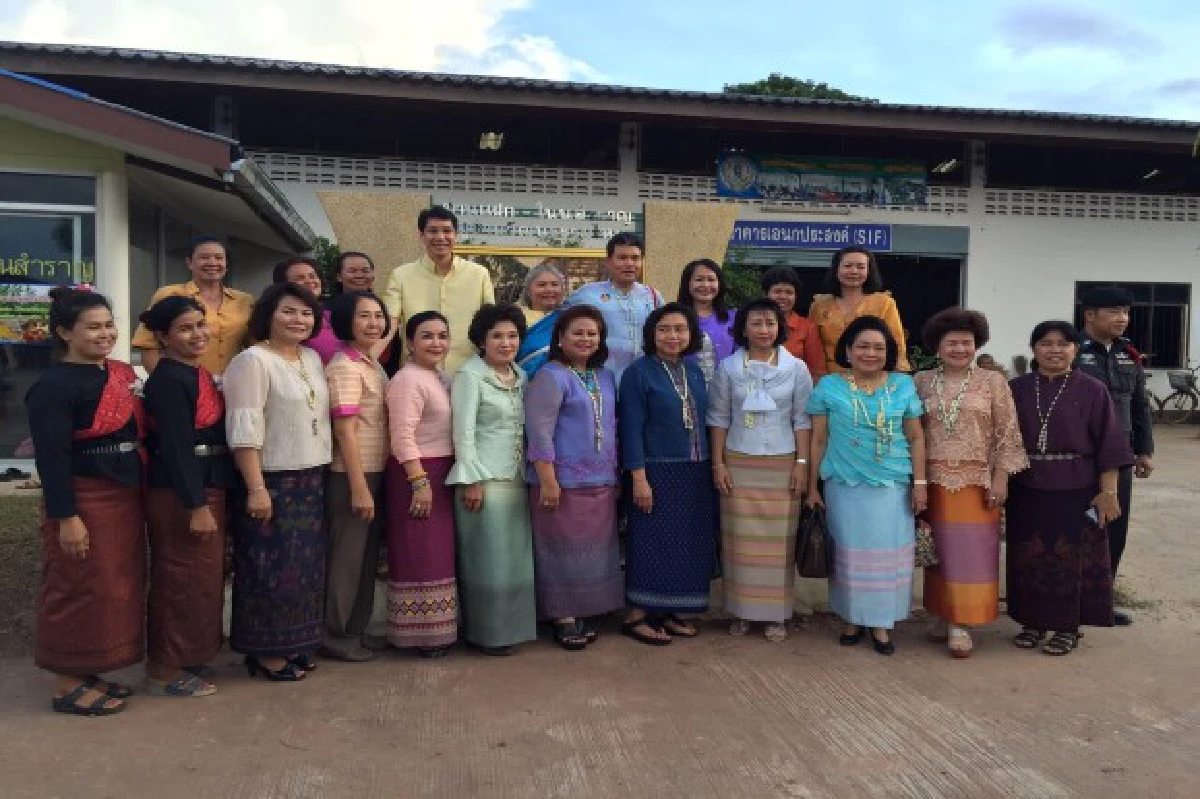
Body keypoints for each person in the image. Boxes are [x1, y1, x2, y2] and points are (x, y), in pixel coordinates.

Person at [28, 286, 145, 716]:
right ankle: (65, 681)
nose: (105, 334)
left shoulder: (116, 375)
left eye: (109, 325)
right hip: (84, 497)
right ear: (63, 332)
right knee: (77, 585)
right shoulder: (52, 386)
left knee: (111, 587)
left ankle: (90, 669)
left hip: (122, 497)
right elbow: (52, 458)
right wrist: (66, 517)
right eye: (92, 327)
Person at [224, 282, 331, 681]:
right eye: (288, 311)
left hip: (311, 479)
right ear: (268, 314)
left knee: (303, 569)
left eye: (305, 313)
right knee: (267, 569)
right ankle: (264, 652)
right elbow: (244, 429)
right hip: (272, 480)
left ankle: (294, 643)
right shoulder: (252, 361)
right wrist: (256, 488)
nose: (297, 320)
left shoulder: (311, 359)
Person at [1007, 321, 1133, 656]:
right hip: (1026, 487)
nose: (1054, 350)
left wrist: (1109, 492)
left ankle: (1067, 626)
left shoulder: (1093, 390)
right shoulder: (1015, 388)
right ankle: (1031, 622)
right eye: (1046, 343)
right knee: (1028, 556)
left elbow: (1110, 445)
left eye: (1063, 344)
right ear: (1033, 349)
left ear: (1075, 350)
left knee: (1070, 560)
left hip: (1078, 487)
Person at [806, 315, 926, 656]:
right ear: (848, 350)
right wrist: (812, 487)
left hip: (892, 486)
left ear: (888, 352)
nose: (870, 353)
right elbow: (817, 440)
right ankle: (851, 619)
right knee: (848, 554)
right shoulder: (829, 385)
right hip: (843, 484)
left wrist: (920, 484)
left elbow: (916, 437)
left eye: (878, 347)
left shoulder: (903, 385)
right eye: (862, 346)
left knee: (886, 557)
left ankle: (882, 623)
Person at [913, 309, 1028, 657]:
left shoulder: (993, 382)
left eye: (967, 343)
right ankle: (941, 613)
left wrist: (1001, 478)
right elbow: (912, 432)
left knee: (971, 553)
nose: (960, 349)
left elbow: (1008, 432)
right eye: (952, 343)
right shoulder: (920, 380)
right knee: (937, 551)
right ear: (937, 346)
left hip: (977, 480)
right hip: (930, 479)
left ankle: (962, 622)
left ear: (977, 345)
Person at [141, 296, 235, 696]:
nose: (198, 334)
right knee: (180, 576)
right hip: (181, 492)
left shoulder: (195, 373)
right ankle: (166, 665)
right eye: (186, 328)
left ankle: (191, 655)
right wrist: (195, 505)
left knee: (203, 578)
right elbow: (177, 446)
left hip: (207, 480)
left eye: (201, 325)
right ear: (163, 337)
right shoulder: (167, 380)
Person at [707, 298, 813, 643]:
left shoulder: (796, 368)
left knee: (778, 545)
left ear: (779, 327)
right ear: (744, 328)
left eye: (770, 323)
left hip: (783, 462)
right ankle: (739, 611)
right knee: (739, 544)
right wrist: (718, 463)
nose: (763, 330)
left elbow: (802, 419)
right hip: (739, 461)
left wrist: (802, 464)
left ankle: (776, 615)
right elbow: (719, 418)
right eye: (756, 323)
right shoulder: (729, 369)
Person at [525, 305, 624, 650]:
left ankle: (583, 610)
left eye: (592, 333)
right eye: (577, 333)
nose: (585, 339)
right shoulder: (550, 376)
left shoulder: (606, 376)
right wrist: (548, 479)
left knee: (592, 553)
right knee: (560, 553)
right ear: (561, 339)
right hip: (560, 483)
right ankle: (562, 617)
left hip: (599, 482)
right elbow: (538, 432)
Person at [618, 303, 717, 645]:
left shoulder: (694, 372)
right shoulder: (638, 372)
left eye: (680, 329)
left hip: (695, 471)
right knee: (651, 542)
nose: (672, 336)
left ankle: (668, 610)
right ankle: (637, 615)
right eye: (664, 329)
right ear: (651, 334)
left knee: (685, 543)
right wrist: (638, 477)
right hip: (656, 470)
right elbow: (630, 428)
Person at [447, 304, 538, 656]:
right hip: (483, 479)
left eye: (512, 336)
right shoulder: (471, 375)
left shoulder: (521, 375)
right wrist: (471, 479)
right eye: (497, 336)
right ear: (481, 341)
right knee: (487, 561)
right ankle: (485, 633)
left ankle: (510, 630)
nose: (505, 342)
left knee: (513, 561)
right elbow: (463, 432)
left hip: (515, 476)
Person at [1075, 285, 1154, 627]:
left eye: (1126, 312)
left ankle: (1101, 599)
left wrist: (1144, 450)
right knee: (1078, 525)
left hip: (1119, 455)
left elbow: (1139, 404)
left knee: (1114, 526)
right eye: (1114, 312)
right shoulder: (1070, 350)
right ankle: (1069, 597)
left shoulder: (1129, 354)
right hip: (1080, 455)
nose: (1122, 319)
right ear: (1090, 315)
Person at [321, 291, 391, 662]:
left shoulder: (371, 363)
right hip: (352, 475)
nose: (374, 323)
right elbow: (345, 432)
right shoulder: (345, 368)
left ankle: (356, 629)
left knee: (364, 559)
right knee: (346, 560)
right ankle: (335, 635)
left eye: (379, 316)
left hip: (374, 472)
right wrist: (359, 487)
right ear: (346, 321)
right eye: (364, 316)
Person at [385, 310, 459, 656]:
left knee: (438, 552)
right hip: (417, 473)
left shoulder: (438, 377)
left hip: (441, 471)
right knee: (420, 552)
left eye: (442, 335)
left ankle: (440, 630)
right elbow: (401, 435)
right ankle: (421, 635)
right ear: (410, 343)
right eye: (427, 335)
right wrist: (418, 481)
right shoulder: (407, 379)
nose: (436, 342)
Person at [382, 206, 496, 374]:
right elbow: (389, 325)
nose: (440, 237)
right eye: (433, 231)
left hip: (469, 373)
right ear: (421, 235)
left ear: (456, 235)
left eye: (447, 231)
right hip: (418, 374)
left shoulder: (479, 274)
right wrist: (368, 358)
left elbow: (490, 325)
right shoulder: (401, 275)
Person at [131, 235, 253, 376]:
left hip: (233, 387)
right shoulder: (170, 294)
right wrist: (167, 383)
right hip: (186, 385)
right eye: (204, 257)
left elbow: (253, 345)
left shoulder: (245, 301)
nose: (212, 262)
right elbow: (148, 346)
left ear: (227, 264)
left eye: (219, 258)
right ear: (189, 262)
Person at [562, 232, 663, 385]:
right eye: (622, 258)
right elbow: (560, 327)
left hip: (645, 382)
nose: (629, 264)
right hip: (599, 381)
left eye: (635, 258)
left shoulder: (652, 296)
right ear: (608, 261)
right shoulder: (586, 295)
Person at [808, 246, 910, 374]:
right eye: (848, 266)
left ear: (869, 271)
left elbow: (897, 345)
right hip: (831, 379)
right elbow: (812, 348)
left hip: (874, 377)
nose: (854, 271)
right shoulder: (819, 305)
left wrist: (897, 380)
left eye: (861, 267)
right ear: (836, 270)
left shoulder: (884, 303)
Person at [676, 258, 736, 386]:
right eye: (699, 280)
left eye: (711, 279)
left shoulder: (733, 318)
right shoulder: (675, 318)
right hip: (686, 391)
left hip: (726, 392)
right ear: (687, 283)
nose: (706, 285)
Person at [761, 266, 826, 381]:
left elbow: (817, 370)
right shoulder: (752, 324)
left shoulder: (807, 327)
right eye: (777, 291)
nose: (783, 297)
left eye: (789, 292)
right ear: (766, 294)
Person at [275, 256, 341, 365]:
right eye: (300, 278)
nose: (310, 281)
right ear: (284, 285)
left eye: (312, 276)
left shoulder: (330, 314)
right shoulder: (283, 319)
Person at [516, 264, 568, 378]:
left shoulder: (570, 318)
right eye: (542, 285)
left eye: (555, 285)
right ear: (529, 290)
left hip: (564, 384)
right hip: (523, 384)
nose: (549, 289)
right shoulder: (516, 318)